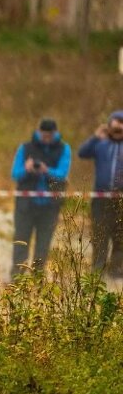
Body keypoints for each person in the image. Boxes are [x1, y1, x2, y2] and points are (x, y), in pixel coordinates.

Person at [9, 117, 70, 278]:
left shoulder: (64, 149)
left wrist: (46, 170)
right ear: (38, 132)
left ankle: (37, 281)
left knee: (43, 246)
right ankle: (17, 280)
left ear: (55, 134)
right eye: (44, 135)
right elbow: (15, 174)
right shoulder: (25, 148)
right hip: (26, 205)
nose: (46, 138)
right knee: (21, 242)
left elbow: (62, 175)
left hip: (50, 206)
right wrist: (27, 169)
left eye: (49, 135)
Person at [77, 111, 123, 276]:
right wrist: (96, 137)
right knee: (100, 234)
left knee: (119, 236)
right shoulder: (101, 144)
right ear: (109, 125)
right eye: (116, 123)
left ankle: (117, 271)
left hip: (121, 200)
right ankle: (98, 270)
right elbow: (82, 153)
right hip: (101, 198)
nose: (119, 127)